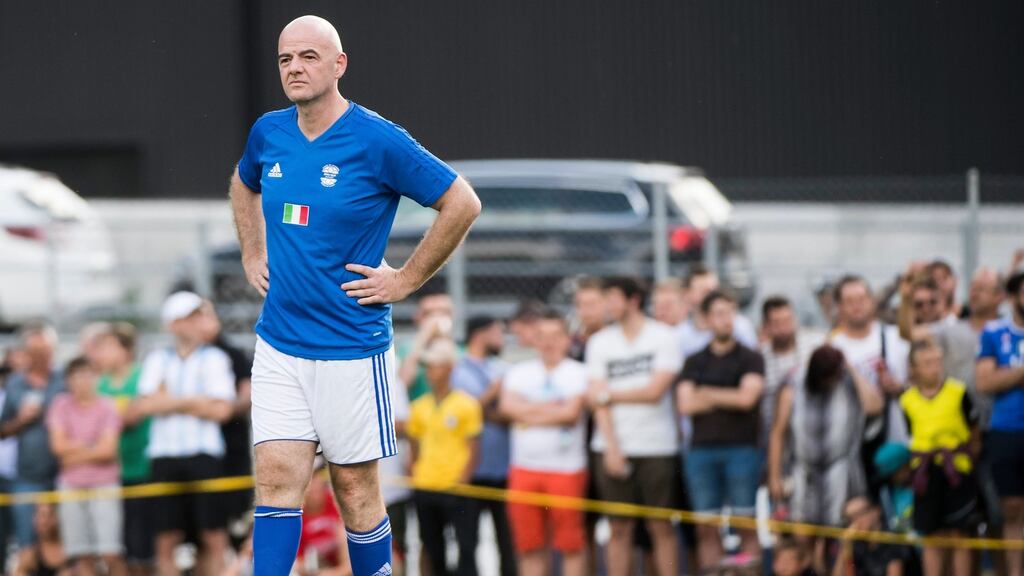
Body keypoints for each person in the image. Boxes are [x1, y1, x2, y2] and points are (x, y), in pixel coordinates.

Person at [229, 14, 481, 576]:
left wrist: (406, 279)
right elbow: (244, 182)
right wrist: (252, 252)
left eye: (308, 57)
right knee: (274, 480)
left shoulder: (376, 139)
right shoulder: (268, 131)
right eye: (285, 59)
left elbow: (461, 202)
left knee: (355, 489)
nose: (294, 68)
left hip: (351, 346)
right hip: (279, 344)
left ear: (339, 65)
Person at [135, 292, 237, 576]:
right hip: (165, 456)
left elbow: (222, 411)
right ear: (174, 324)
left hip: (204, 454)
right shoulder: (158, 358)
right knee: (167, 536)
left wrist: (170, 400)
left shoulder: (215, 357)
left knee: (213, 534)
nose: (197, 323)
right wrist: (197, 401)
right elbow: (145, 405)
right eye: (190, 317)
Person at [587, 277, 683, 576]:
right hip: (611, 446)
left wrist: (608, 393)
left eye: (613, 297)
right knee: (618, 528)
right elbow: (596, 402)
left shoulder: (663, 337)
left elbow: (656, 392)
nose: (608, 305)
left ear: (633, 300)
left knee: (661, 526)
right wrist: (612, 449)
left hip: (657, 445)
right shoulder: (600, 342)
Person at [768, 345, 882, 573]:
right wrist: (774, 476)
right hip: (803, 476)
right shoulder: (794, 385)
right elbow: (778, 433)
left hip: (843, 476)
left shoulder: (848, 381)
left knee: (841, 543)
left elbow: (874, 406)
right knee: (803, 542)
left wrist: (850, 368)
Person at [676, 290, 765, 569]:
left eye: (729, 313)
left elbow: (747, 399)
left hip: (742, 450)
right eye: (718, 313)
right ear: (705, 319)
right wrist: (730, 395)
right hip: (701, 452)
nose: (725, 320)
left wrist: (707, 393)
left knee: (745, 525)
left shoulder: (751, 358)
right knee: (706, 528)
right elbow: (686, 404)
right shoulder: (694, 361)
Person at [500, 310, 589, 576]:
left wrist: (528, 411)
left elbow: (570, 414)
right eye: (542, 336)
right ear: (534, 340)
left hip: (566, 470)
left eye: (555, 336)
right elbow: (507, 408)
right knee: (529, 547)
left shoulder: (579, 372)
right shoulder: (519, 372)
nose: (549, 342)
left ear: (566, 339)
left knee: (570, 546)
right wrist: (554, 410)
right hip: (524, 470)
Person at [900, 339, 978, 576]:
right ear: (913, 369)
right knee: (931, 535)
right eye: (926, 363)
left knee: (958, 533)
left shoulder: (958, 391)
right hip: (925, 474)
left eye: (936, 361)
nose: (934, 367)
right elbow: (911, 434)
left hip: (955, 470)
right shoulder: (907, 400)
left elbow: (973, 430)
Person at [407, 339, 483, 576]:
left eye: (435, 366)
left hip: (456, 486)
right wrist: (416, 472)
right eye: (428, 366)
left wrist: (464, 479)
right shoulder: (419, 406)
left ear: (449, 368)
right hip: (426, 485)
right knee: (432, 547)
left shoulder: (466, 404)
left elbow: (474, 446)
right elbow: (414, 444)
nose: (429, 372)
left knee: (466, 548)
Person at [44, 357, 126, 576]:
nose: (83, 381)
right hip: (71, 484)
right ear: (69, 380)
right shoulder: (60, 404)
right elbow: (57, 446)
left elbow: (108, 450)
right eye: (78, 375)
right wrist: (91, 446)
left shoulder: (107, 406)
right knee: (82, 554)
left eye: (88, 374)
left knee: (110, 552)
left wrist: (73, 454)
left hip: (104, 484)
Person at [450, 316, 516, 576]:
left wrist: (491, 408)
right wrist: (494, 393)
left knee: (508, 543)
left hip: (504, 470)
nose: (502, 337)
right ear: (481, 334)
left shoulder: (502, 368)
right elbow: (466, 412)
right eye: (498, 331)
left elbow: (508, 413)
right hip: (471, 471)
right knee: (468, 543)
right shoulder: (459, 369)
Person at [828, 275, 910, 482]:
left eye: (862, 298)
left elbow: (922, 385)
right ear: (839, 307)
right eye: (849, 301)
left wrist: (898, 387)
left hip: (898, 442)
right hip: (852, 447)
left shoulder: (896, 338)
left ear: (872, 301)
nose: (857, 306)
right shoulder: (832, 348)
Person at [92, 323, 153, 575]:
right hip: (109, 475)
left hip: (142, 469)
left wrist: (107, 421)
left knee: (144, 548)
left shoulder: (143, 376)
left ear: (125, 349)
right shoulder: (100, 384)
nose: (101, 354)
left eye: (108, 347)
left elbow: (131, 417)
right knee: (119, 547)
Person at [975, 270, 1024, 576]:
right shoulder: (995, 332)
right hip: (1007, 431)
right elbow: (985, 380)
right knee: (1011, 509)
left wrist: (1010, 374)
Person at [0, 323, 63, 551]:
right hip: (27, 476)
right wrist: (21, 420)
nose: (41, 357)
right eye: (35, 352)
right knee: (27, 542)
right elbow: (3, 430)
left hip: (64, 473)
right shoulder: (16, 384)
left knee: (63, 545)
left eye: (45, 351)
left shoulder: (65, 379)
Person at [196, 300, 255, 544]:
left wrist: (223, 409)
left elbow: (246, 395)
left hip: (232, 448)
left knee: (236, 522)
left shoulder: (231, 353)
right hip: (199, 452)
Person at [760, 296, 823, 449]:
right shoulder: (760, 359)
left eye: (788, 320)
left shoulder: (815, 345)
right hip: (775, 440)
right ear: (766, 326)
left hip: (813, 437)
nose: (784, 327)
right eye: (777, 322)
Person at [677, 264, 758, 358]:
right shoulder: (680, 335)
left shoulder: (740, 327)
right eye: (704, 291)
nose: (712, 297)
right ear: (687, 294)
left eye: (714, 290)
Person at [399, 289, 456, 402]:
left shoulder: (462, 350)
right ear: (417, 317)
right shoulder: (404, 350)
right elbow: (401, 385)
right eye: (428, 313)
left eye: (444, 312)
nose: (436, 318)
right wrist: (424, 336)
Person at [296, 463, 353, 576]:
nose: (314, 483)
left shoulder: (335, 501)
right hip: (313, 568)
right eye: (310, 478)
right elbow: (297, 564)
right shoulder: (296, 514)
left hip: (341, 565)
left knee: (345, 531)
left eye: (316, 476)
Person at [831, 497, 907, 576]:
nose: (856, 521)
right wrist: (845, 546)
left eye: (859, 514)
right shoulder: (856, 544)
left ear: (876, 510)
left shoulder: (892, 539)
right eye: (850, 518)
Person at [12, 504, 70, 576]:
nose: (44, 521)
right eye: (40, 516)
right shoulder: (29, 556)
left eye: (49, 515)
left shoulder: (73, 552)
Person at [569, 276, 607, 362]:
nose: (587, 311)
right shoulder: (568, 344)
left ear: (605, 304)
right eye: (582, 304)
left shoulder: (619, 340)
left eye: (592, 304)